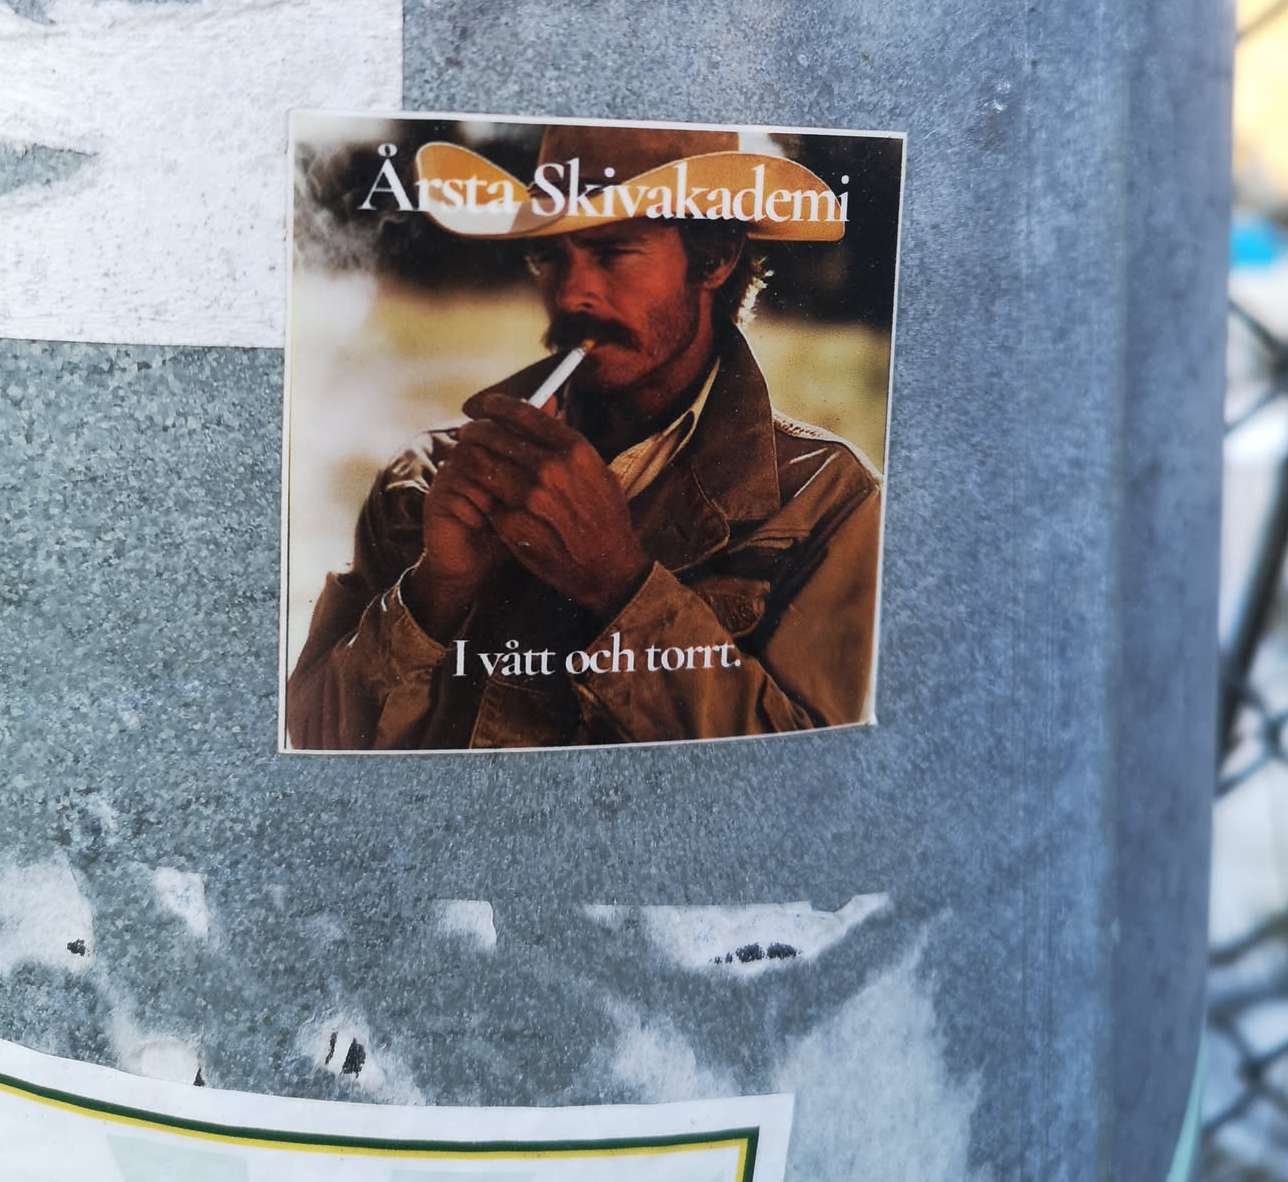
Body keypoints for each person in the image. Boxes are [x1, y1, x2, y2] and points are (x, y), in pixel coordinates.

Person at [287, 125, 882, 750]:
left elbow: (808, 787)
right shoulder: (430, 477)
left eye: (614, 252)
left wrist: (619, 584)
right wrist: (435, 592)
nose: (572, 293)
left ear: (716, 255)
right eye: (551, 256)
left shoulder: (828, 503)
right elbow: (312, 742)